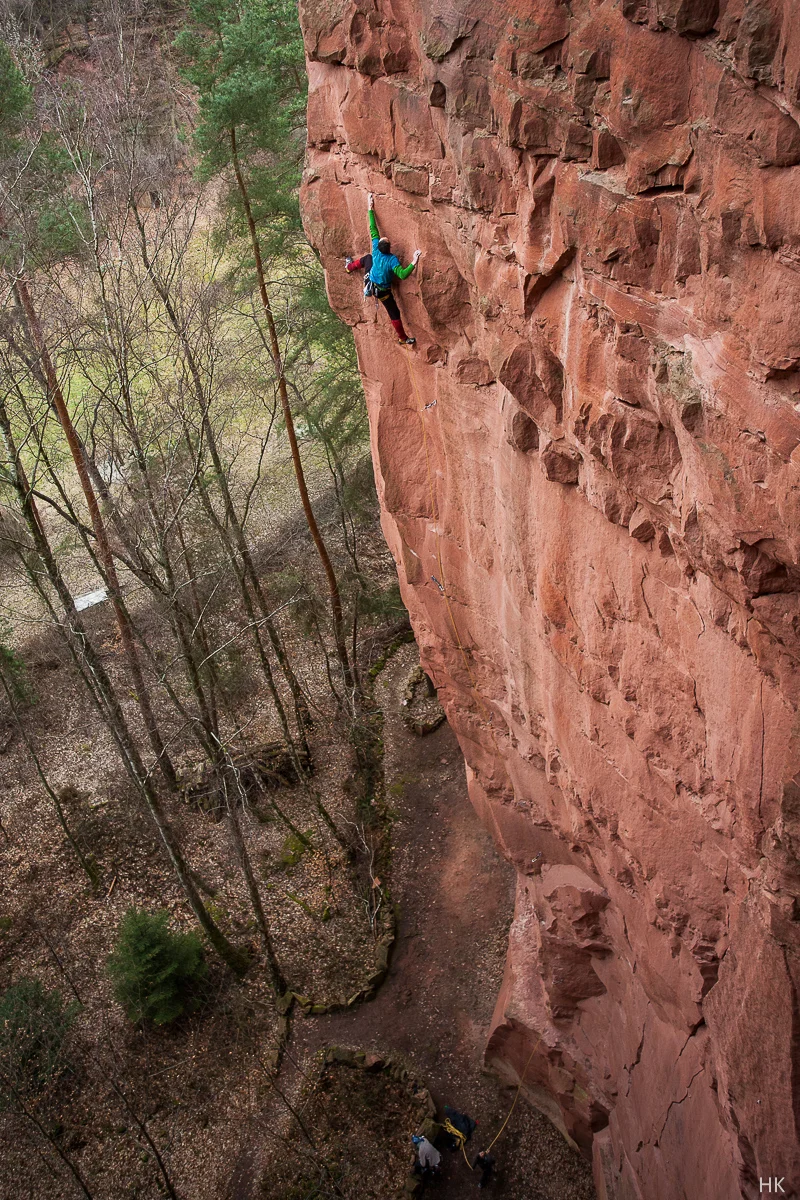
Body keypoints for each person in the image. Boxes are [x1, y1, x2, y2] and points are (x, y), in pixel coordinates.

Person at [345, 192, 421, 345]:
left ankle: (349, 267)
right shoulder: (392, 259)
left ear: (379, 246)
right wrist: (414, 260)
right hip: (383, 292)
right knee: (394, 313)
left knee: (367, 259)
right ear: (389, 246)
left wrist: (370, 207)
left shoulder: (375, 249)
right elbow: (403, 274)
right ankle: (402, 338)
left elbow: (373, 228)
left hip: (371, 282)